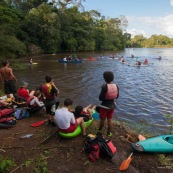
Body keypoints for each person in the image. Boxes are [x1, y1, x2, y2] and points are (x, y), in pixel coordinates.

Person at [98, 71, 119, 137]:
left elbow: (100, 98)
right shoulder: (116, 86)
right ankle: (108, 133)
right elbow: (117, 96)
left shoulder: (104, 87)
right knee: (109, 120)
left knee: (102, 119)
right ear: (112, 78)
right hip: (112, 106)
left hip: (104, 106)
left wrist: (102, 89)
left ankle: (100, 130)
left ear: (104, 78)